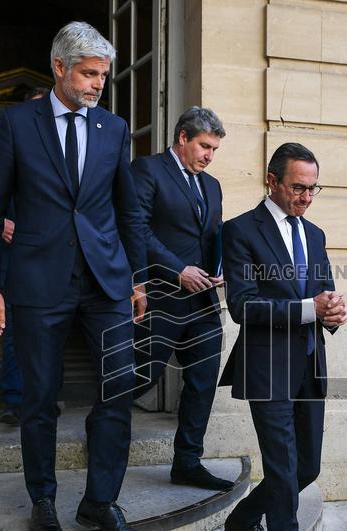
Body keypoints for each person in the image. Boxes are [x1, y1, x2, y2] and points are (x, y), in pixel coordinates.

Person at [0, 22, 148, 531]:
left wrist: (138, 280)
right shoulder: (17, 123)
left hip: (106, 282)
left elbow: (129, 211)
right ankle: (43, 500)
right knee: (40, 397)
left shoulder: (113, 130)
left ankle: (100, 502)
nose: (98, 84)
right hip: (37, 281)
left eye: (102, 75)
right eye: (89, 73)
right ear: (59, 68)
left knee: (119, 388)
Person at [218, 143, 347, 531]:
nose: (306, 197)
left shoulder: (314, 234)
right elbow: (243, 307)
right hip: (267, 370)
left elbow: (325, 293)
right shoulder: (239, 231)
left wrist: (333, 312)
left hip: (310, 366)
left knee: (307, 469)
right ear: (271, 181)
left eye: (313, 188)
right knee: (283, 474)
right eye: (298, 186)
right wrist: (310, 309)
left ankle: (243, 518)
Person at [131, 107, 233, 492]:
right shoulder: (148, 171)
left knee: (203, 382)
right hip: (160, 298)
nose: (209, 155)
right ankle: (103, 430)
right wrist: (178, 270)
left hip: (204, 302)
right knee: (140, 376)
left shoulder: (213, 186)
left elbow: (214, 236)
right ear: (183, 139)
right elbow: (137, 230)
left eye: (215, 149)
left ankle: (187, 462)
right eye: (205, 146)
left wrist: (223, 267)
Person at [0, 86, 49, 427]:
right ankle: (16, 400)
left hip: (51, 258)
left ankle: (44, 397)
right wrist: (1, 220)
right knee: (15, 330)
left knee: (48, 333)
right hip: (14, 257)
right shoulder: (12, 149)